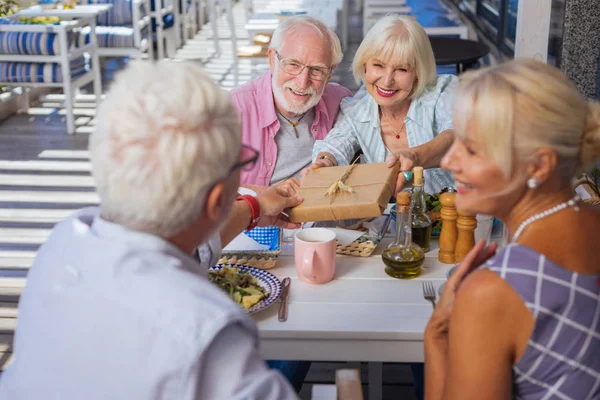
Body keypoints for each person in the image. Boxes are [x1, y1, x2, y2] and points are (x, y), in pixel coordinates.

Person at [0, 61, 303, 399]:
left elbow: (186, 251)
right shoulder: (210, 334)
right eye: (241, 162)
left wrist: (254, 207)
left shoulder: (64, 240)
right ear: (218, 199)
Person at [425, 60, 600, 399]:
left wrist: (436, 335)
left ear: (539, 164)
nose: (448, 161)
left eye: (471, 149)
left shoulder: (490, 293)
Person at [307, 15, 456, 194]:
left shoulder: (443, 91)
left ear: (417, 72)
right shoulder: (357, 109)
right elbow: (337, 143)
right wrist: (326, 161)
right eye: (378, 65)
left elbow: (458, 132)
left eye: (401, 69)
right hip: (398, 217)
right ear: (365, 65)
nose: (387, 81)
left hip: (461, 212)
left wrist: (415, 156)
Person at [230, 15, 352, 188]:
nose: (302, 83)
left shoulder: (340, 101)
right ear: (272, 59)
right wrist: (263, 197)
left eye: (317, 70)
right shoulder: (231, 111)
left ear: (330, 72)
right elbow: (204, 193)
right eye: (293, 64)